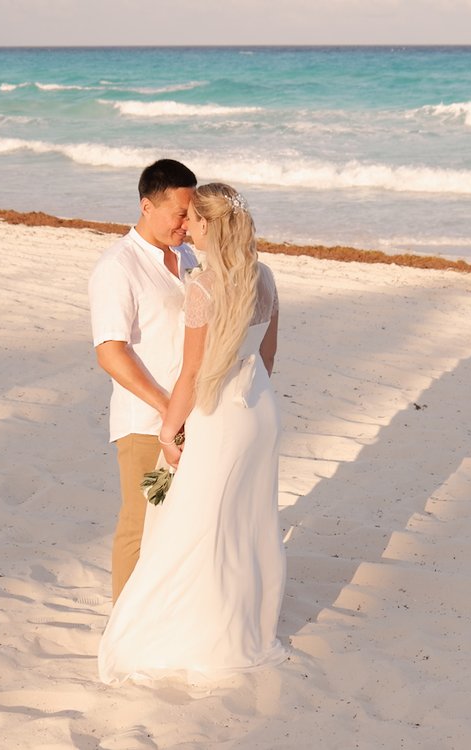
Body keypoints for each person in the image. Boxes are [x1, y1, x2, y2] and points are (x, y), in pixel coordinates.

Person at [98, 182, 287, 683]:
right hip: (259, 410)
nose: (186, 227)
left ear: (207, 224)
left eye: (192, 219)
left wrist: (169, 429)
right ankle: (242, 623)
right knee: (245, 520)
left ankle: (185, 628)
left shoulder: (203, 283)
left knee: (190, 523)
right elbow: (266, 357)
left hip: (216, 416)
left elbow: (191, 371)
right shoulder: (262, 276)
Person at [89, 159, 198, 602]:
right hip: (144, 422)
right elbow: (110, 352)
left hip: (190, 413)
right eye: (179, 213)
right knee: (140, 522)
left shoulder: (188, 255)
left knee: (178, 524)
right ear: (146, 206)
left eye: (191, 213)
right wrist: (166, 407)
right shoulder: (118, 266)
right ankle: (122, 626)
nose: (187, 223)